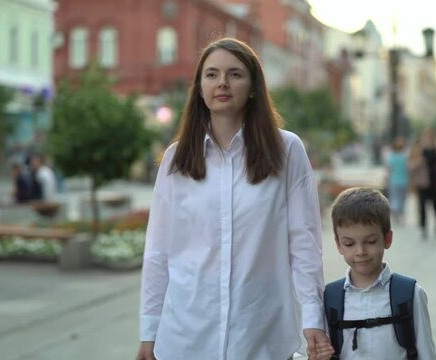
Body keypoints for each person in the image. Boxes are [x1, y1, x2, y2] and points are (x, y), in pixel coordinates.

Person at [136, 38, 333, 360]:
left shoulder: (286, 151)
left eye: (235, 74)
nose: (222, 82)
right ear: (199, 88)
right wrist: (149, 331)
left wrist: (313, 316)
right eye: (211, 74)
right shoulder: (176, 158)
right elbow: (158, 251)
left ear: (254, 86)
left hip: (262, 331)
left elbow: (304, 241)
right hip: (186, 332)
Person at [326, 187, 436, 359]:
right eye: (349, 244)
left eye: (370, 241)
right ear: (338, 244)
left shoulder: (410, 294)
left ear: (387, 239)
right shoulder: (330, 299)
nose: (360, 251)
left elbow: (427, 353)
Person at [409, 129, 436, 239]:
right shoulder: (419, 150)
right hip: (422, 181)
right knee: (422, 204)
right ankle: (423, 227)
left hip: (433, 179)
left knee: (435, 204)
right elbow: (411, 165)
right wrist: (419, 161)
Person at [385, 137, 409, 225]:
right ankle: (401, 215)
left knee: (395, 198)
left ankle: (395, 213)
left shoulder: (391, 157)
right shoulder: (405, 156)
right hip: (404, 180)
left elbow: (388, 170)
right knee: (402, 200)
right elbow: (408, 169)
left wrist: (387, 180)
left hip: (394, 180)